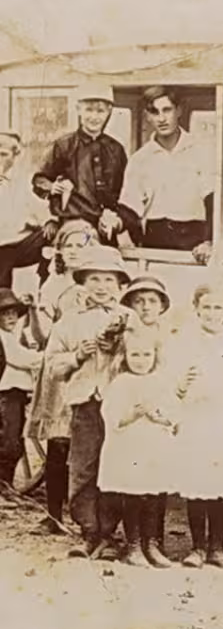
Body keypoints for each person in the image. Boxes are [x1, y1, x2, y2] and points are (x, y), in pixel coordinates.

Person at [45, 246, 139, 558]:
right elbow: (53, 367)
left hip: (118, 402)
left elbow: (146, 358)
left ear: (119, 284)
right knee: (83, 467)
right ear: (83, 282)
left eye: (109, 279)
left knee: (114, 466)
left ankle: (109, 533)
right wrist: (77, 356)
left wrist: (120, 351)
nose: (101, 286)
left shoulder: (130, 318)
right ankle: (88, 531)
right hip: (85, 403)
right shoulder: (70, 321)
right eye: (94, 279)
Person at [168, 281, 223, 570]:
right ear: (196, 308)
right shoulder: (184, 339)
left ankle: (217, 546)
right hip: (195, 419)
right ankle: (197, 547)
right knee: (197, 483)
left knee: (219, 485)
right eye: (206, 307)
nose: (212, 313)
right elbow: (173, 381)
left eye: (218, 307)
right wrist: (182, 388)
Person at [27, 220, 101, 533]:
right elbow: (43, 337)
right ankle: (54, 515)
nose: (73, 251)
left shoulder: (100, 282)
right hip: (61, 371)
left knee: (87, 447)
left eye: (80, 245)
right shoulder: (53, 285)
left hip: (91, 368)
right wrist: (34, 312)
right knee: (58, 444)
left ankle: (89, 517)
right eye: (67, 246)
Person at [97, 330, 177, 568]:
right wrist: (133, 414)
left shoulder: (161, 381)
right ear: (124, 356)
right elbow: (111, 416)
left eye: (146, 355)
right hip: (129, 446)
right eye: (135, 355)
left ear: (155, 356)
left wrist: (157, 415)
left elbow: (174, 412)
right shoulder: (121, 383)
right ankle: (133, 545)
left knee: (152, 494)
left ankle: (150, 543)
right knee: (132, 494)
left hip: (153, 446)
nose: (141, 360)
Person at [32, 83, 142, 248]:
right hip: (72, 227)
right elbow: (39, 179)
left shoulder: (116, 149)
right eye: (89, 110)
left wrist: (114, 217)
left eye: (100, 111)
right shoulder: (64, 145)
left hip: (105, 227)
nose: (94, 116)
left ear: (109, 112)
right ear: (79, 110)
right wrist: (52, 187)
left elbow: (125, 191)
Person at [120, 87, 214, 262]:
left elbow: (212, 201)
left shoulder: (202, 151)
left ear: (179, 111)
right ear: (147, 116)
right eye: (154, 112)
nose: (161, 118)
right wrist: (117, 225)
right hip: (155, 239)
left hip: (195, 242)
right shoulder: (139, 159)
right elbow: (130, 208)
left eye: (167, 110)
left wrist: (209, 241)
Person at [119, 274, 173, 552]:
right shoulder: (124, 335)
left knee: (157, 475)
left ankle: (154, 540)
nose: (146, 307)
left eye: (152, 301)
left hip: (159, 413)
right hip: (131, 415)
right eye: (139, 301)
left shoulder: (171, 336)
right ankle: (133, 541)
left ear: (162, 306)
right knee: (132, 476)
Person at [0, 132, 57, 288]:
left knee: (54, 234)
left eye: (3, 155)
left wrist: (49, 221)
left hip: (19, 244)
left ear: (14, 157)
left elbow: (41, 208)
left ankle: (45, 287)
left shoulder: (23, 182)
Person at [0, 289, 42, 488]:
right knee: (8, 443)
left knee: (13, 440)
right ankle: (3, 486)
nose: (11, 317)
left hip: (14, 394)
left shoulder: (9, 337)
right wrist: (50, 357)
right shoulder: (3, 338)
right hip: (6, 394)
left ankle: (5, 485)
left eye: (14, 313)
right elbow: (20, 358)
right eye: (5, 313)